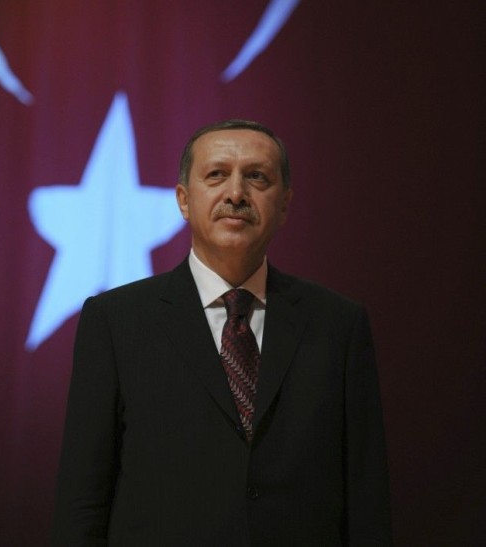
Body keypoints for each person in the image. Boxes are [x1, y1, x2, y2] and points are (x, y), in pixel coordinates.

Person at [51, 119, 392, 546]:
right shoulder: (115, 320)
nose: (235, 194)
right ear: (183, 200)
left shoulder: (339, 324)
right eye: (216, 175)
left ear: (284, 204)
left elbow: (366, 499)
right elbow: (82, 503)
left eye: (257, 177)